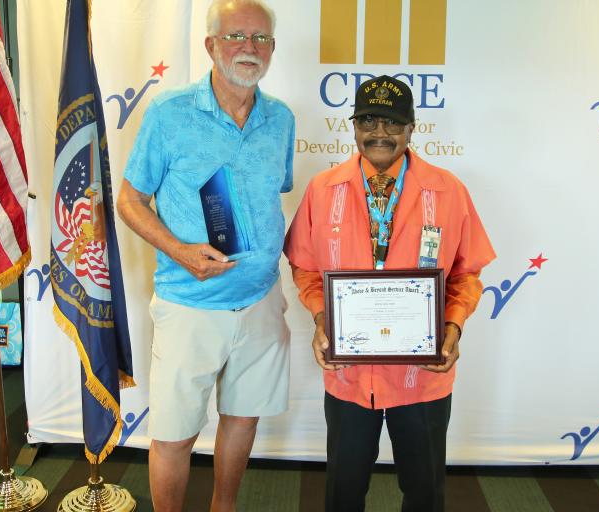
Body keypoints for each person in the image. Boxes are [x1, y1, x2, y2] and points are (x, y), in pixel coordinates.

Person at [284, 75, 495, 511]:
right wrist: (324, 319)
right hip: (349, 374)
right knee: (343, 491)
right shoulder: (323, 191)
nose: (380, 134)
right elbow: (305, 266)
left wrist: (453, 325)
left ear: (412, 129)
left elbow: (467, 272)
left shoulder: (448, 191)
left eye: (393, 123)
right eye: (370, 121)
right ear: (354, 126)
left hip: (422, 375)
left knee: (424, 493)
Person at [115, 1, 293, 510]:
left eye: (260, 39)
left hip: (260, 300)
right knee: (174, 433)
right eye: (236, 36)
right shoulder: (170, 114)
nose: (248, 48)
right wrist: (179, 250)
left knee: (242, 416)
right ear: (210, 44)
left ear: (273, 50)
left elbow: (272, 193)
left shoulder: (280, 119)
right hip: (189, 301)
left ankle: (223, 508)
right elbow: (130, 200)